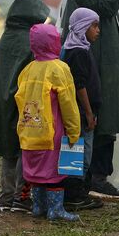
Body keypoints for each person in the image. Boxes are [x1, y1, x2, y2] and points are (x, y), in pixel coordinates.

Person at [60, 0, 119, 197]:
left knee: (103, 121)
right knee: (92, 123)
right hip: (96, 64)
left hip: (102, 63)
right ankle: (91, 180)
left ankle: (91, 178)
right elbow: (107, 6)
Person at [0, 0, 51, 212]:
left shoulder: (4, 40)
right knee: (25, 149)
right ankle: (20, 198)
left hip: (1, 102)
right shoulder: (30, 41)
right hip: (24, 103)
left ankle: (5, 198)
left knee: (8, 149)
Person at [15, 23, 82, 222]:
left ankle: (38, 206)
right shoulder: (59, 69)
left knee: (36, 171)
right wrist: (74, 130)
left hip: (29, 130)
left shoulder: (28, 69)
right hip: (51, 132)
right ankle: (56, 210)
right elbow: (68, 103)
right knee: (54, 171)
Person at [61, 7, 104, 211]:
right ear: (82, 27)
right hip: (79, 113)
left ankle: (77, 194)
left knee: (77, 153)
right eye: (94, 26)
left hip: (80, 113)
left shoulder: (76, 49)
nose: (97, 30)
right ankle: (74, 196)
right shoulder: (77, 52)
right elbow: (79, 85)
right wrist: (88, 112)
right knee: (80, 155)